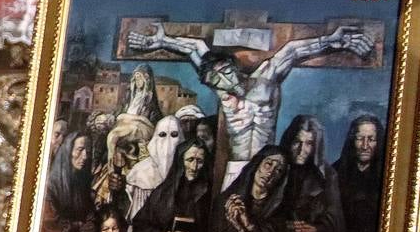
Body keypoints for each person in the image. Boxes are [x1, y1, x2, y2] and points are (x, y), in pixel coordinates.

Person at [126, 23, 374, 183]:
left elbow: (292, 51)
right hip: (234, 169)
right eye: (214, 80)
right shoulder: (222, 90)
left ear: (234, 67)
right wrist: (161, 42)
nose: (221, 81)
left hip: (266, 168)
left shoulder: (266, 79)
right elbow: (194, 48)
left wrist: (331, 41)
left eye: (224, 72)